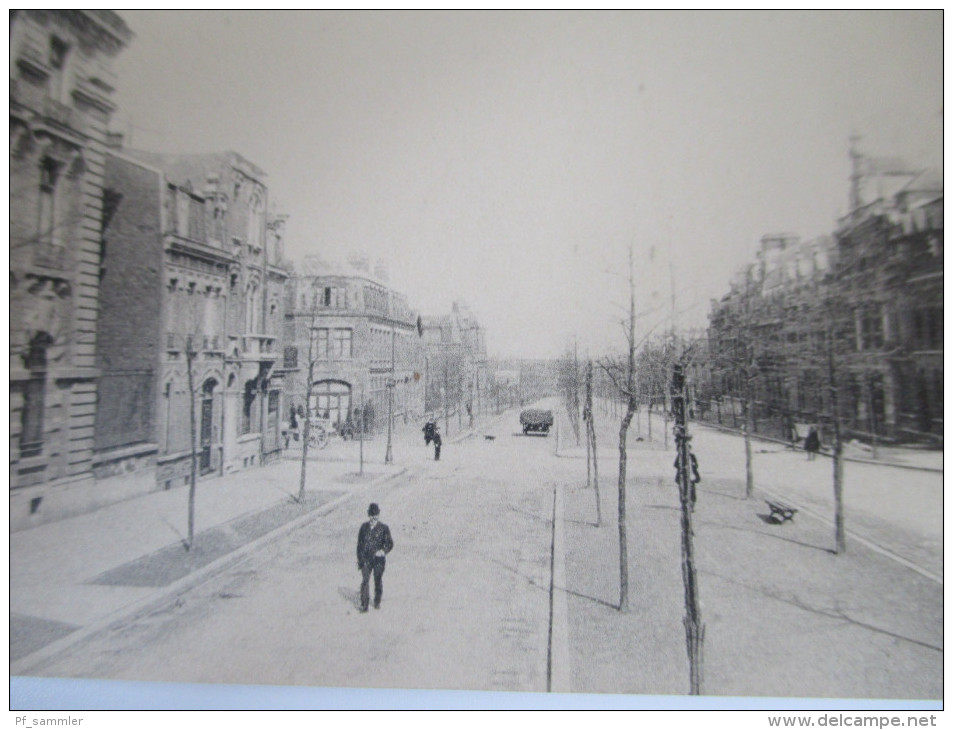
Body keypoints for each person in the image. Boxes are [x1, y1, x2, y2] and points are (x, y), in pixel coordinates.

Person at [356, 503, 394, 612]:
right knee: (365, 580)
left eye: (375, 515)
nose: (373, 518)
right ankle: (364, 605)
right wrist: (360, 560)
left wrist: (383, 551)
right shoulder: (363, 528)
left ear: (378, 515)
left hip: (378, 561)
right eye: (371, 515)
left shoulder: (384, 528)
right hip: (366, 559)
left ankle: (377, 601)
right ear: (368, 515)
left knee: (377, 580)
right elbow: (360, 545)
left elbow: (390, 543)